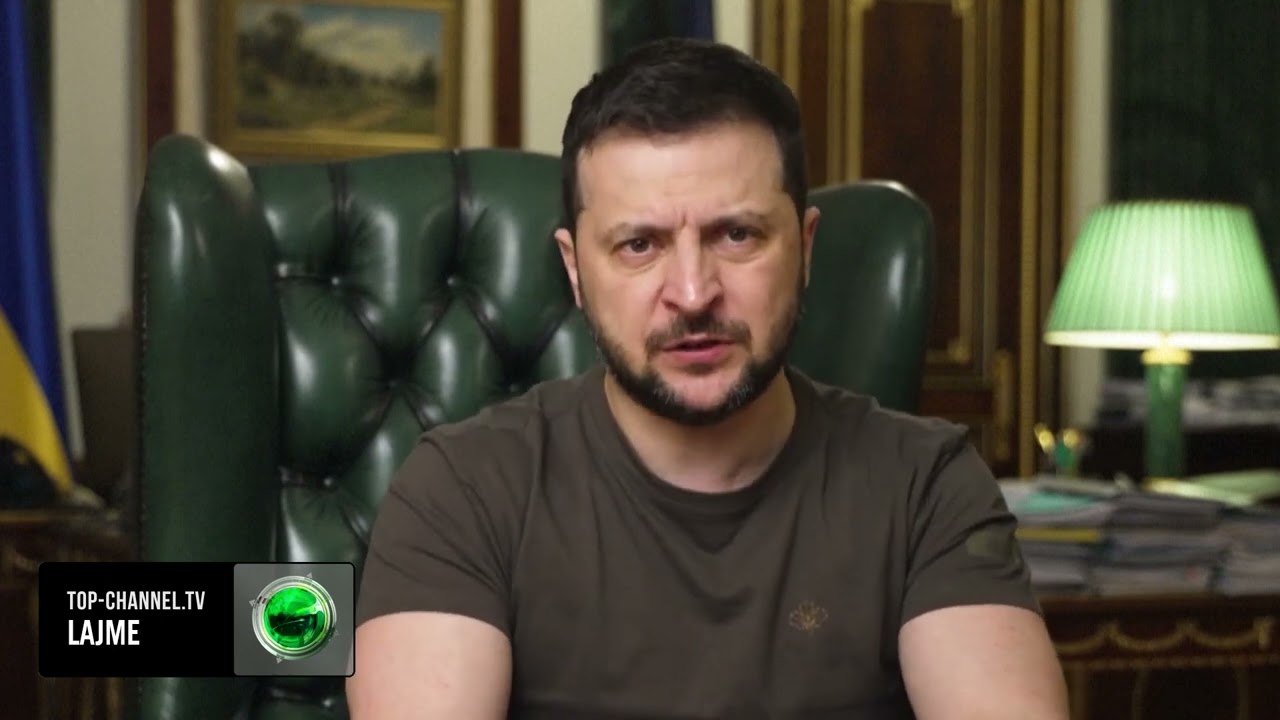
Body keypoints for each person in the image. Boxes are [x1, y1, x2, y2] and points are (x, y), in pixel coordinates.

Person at [348, 37, 1069, 719]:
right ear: (574, 269)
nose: (693, 294)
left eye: (737, 235)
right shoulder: (462, 490)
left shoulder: (927, 485)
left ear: (805, 248)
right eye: (639, 244)